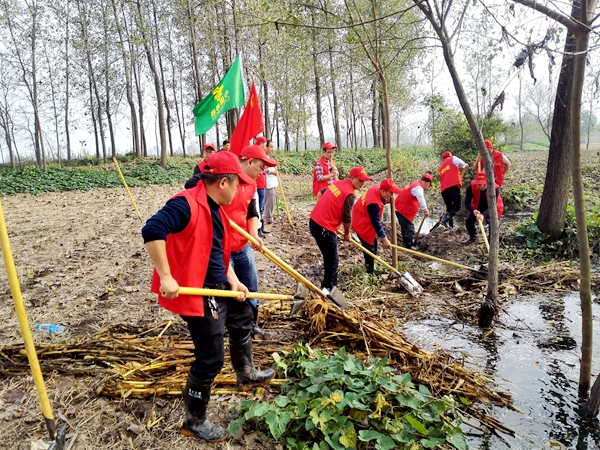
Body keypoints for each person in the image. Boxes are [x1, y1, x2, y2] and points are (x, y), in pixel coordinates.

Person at [141, 151, 275, 442]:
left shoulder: (215, 206)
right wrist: (166, 276)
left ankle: (246, 373)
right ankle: (194, 420)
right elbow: (152, 229)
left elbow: (217, 252)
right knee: (211, 357)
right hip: (199, 293)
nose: (241, 190)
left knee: (242, 322)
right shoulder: (186, 204)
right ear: (223, 182)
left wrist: (234, 281)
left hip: (220, 285)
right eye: (237, 185)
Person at [225, 145, 277, 336]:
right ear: (249, 162)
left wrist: (253, 235)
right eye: (261, 168)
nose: (263, 173)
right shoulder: (226, 181)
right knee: (232, 290)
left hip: (242, 244)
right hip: (222, 249)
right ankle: (233, 330)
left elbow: (252, 211)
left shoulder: (252, 184)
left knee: (251, 287)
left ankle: (251, 323)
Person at [309, 166, 372, 293]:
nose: (362, 183)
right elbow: (347, 217)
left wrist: (323, 209)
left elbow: (321, 193)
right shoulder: (350, 194)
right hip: (324, 228)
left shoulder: (338, 183)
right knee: (333, 260)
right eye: (360, 180)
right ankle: (327, 289)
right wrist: (347, 233)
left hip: (314, 222)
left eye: (364, 181)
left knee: (329, 257)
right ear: (352, 178)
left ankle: (333, 283)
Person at [351, 179, 400, 275]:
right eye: (390, 193)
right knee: (369, 249)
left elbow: (381, 199)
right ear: (383, 191)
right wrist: (385, 239)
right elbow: (376, 222)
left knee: (374, 245)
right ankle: (369, 272)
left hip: (363, 215)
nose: (392, 195)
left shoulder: (377, 188)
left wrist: (386, 200)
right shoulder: (373, 203)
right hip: (362, 223)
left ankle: (371, 268)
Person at [462, 171, 504, 244]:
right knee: (468, 221)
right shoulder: (471, 187)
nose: (481, 186)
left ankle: (491, 242)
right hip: (478, 206)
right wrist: (473, 210)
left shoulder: (494, 188)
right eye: (479, 184)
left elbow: (493, 206)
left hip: (494, 207)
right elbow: (467, 203)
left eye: (484, 184)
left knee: (493, 224)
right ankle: (473, 237)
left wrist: (483, 215)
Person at [394, 174, 432, 249]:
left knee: (405, 227)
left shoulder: (414, 185)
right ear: (427, 183)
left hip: (400, 209)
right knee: (409, 228)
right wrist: (425, 209)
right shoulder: (418, 188)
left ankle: (406, 242)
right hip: (403, 210)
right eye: (428, 186)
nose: (427, 188)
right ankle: (409, 245)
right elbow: (421, 198)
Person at [437, 151, 468, 228]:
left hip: (443, 190)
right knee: (457, 206)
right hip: (453, 186)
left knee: (450, 208)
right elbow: (465, 165)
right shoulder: (453, 159)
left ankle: (451, 226)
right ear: (450, 155)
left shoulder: (440, 167)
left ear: (443, 158)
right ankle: (444, 220)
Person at [263, 139, 278, 233]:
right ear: (266, 147)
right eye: (271, 147)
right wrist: (273, 172)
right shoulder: (264, 158)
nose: (272, 149)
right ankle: (267, 218)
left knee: (271, 202)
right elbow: (266, 171)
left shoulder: (268, 157)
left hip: (273, 183)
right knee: (269, 202)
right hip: (268, 183)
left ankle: (269, 217)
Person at [254, 136, 268, 236]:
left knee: (261, 207)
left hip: (262, 184)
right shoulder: (256, 154)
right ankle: (257, 229)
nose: (265, 146)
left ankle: (261, 228)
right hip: (258, 184)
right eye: (264, 144)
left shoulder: (262, 153)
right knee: (258, 207)